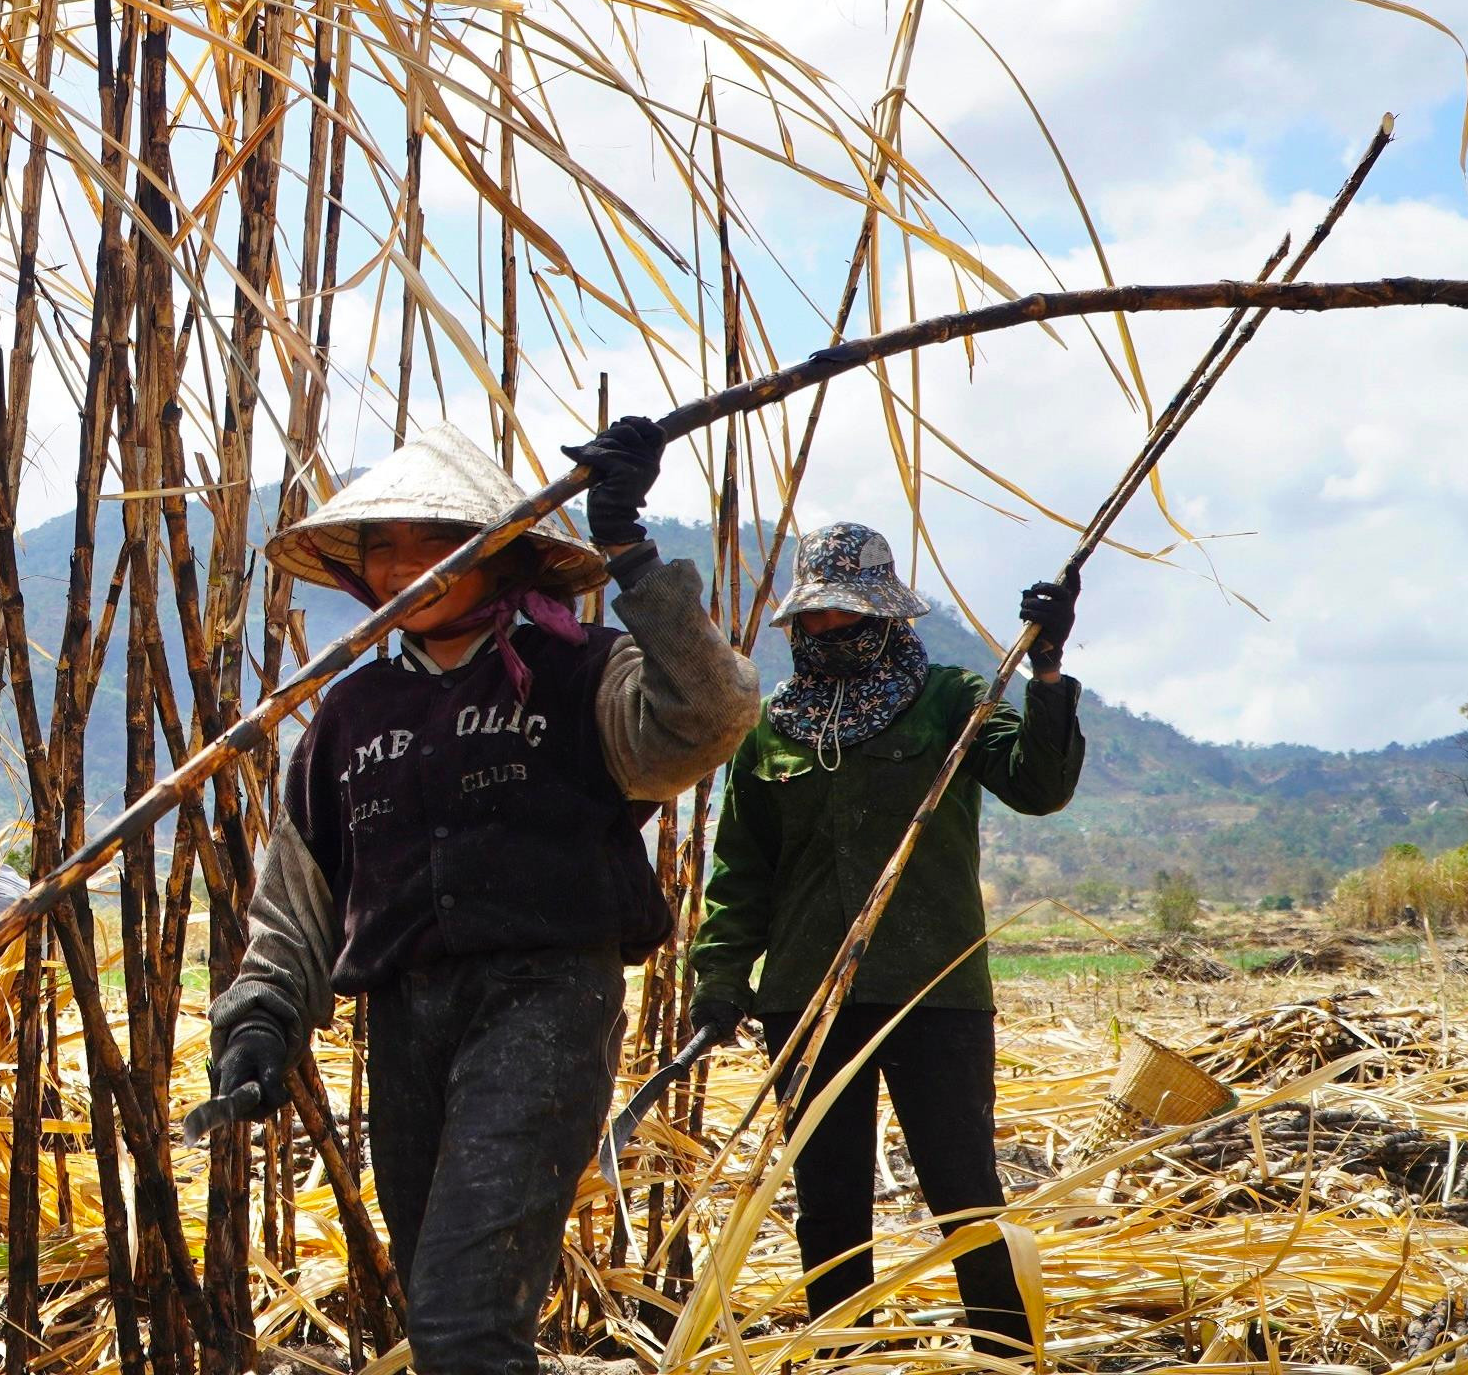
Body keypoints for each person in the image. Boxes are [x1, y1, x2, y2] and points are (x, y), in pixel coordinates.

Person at [207, 418, 760, 1375]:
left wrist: (629, 548)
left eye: (435, 542)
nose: (400, 568)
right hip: (405, 1023)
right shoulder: (347, 715)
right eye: (382, 546)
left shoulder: (585, 671)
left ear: (501, 556)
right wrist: (259, 1022)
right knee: (447, 1318)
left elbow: (712, 714)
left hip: (544, 1004)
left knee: (466, 1328)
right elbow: (296, 901)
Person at [685, 523, 1086, 1360]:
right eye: (814, 620)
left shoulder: (949, 698)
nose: (826, 633)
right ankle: (844, 1355)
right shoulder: (772, 731)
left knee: (963, 1188)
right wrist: (719, 977)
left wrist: (1046, 670)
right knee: (827, 1199)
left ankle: (1005, 1353)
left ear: (886, 619)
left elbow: (1038, 787)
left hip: (931, 987)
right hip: (805, 993)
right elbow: (741, 874)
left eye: (845, 618)